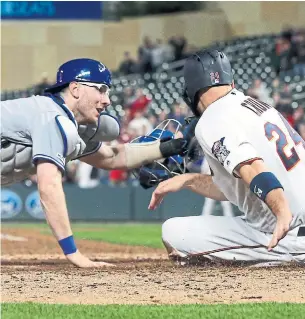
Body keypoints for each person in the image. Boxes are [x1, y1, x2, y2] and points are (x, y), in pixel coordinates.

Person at [1, 58, 187, 268]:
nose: (106, 99)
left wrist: (167, 148)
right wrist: (73, 253)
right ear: (75, 89)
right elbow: (49, 185)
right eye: (100, 89)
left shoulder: (72, 125)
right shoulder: (51, 117)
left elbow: (111, 158)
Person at [148, 50, 305, 265]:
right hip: (295, 221)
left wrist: (282, 213)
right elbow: (238, 187)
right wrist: (189, 180)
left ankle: (272, 260)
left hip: (289, 232)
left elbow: (253, 168)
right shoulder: (258, 107)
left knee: (174, 232)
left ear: (191, 91)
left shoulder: (213, 117)